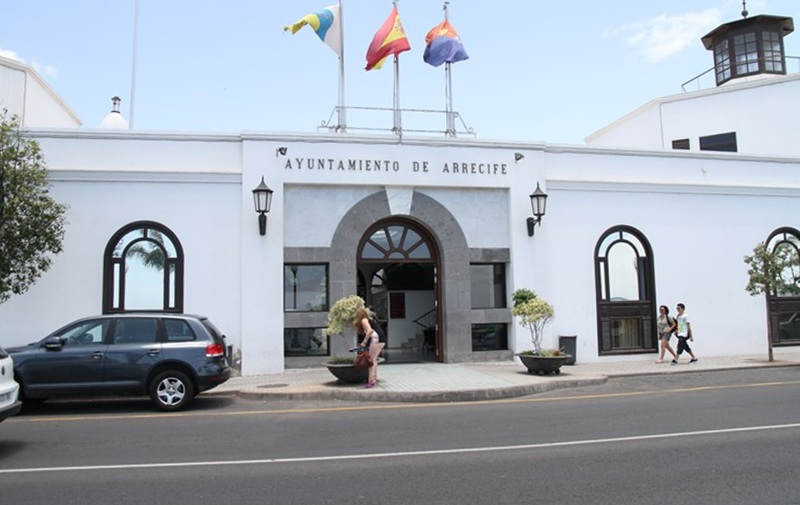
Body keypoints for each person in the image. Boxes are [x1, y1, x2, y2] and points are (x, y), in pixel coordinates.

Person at [354, 307, 385, 388]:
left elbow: (370, 331)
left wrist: (364, 342)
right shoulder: (368, 320)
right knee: (374, 360)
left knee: (371, 361)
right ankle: (374, 379)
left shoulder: (364, 320)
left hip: (376, 339)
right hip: (381, 339)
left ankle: (371, 381)